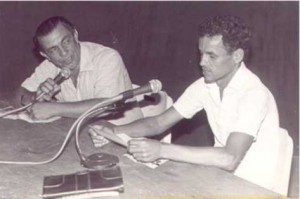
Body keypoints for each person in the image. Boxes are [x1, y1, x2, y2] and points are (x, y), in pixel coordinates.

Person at [94, 16, 287, 193]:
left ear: (237, 56)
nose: (202, 62)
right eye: (201, 53)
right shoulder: (205, 85)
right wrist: (113, 131)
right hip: (219, 177)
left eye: (212, 56)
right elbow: (158, 123)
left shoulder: (254, 93)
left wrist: (161, 149)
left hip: (256, 187)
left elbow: (230, 158)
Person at [13, 16, 143, 124]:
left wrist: (53, 108)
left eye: (66, 42)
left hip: (126, 139)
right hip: (83, 135)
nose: (63, 53)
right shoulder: (49, 65)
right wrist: (36, 98)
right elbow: (18, 96)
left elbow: (107, 106)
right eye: (53, 49)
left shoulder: (107, 58)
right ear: (45, 55)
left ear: (75, 35)